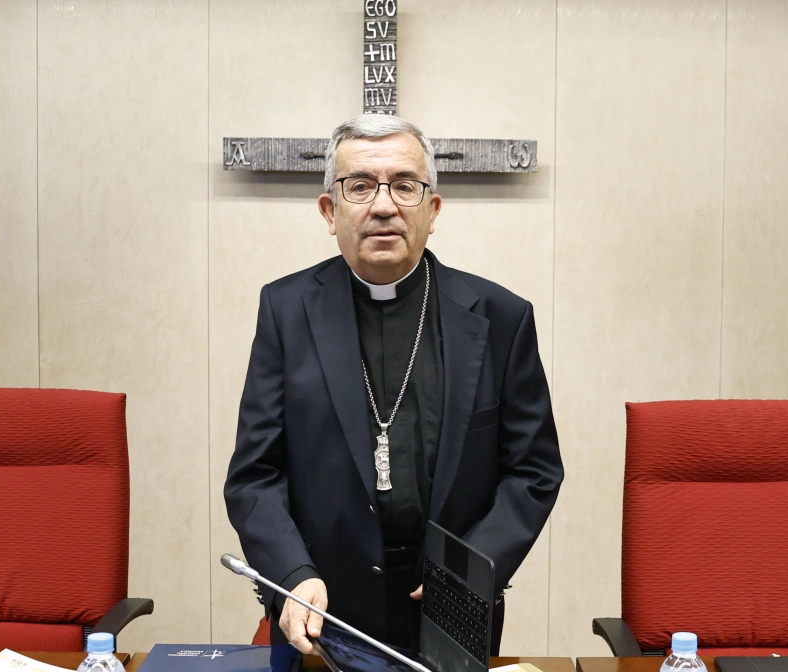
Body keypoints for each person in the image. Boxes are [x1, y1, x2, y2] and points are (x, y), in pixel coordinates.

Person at [224, 114, 563, 655]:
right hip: (323, 612)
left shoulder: (500, 317)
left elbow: (534, 470)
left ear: (433, 210)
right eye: (359, 186)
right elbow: (254, 476)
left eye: (405, 185)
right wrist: (292, 573)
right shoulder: (285, 312)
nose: (384, 205)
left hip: (450, 613)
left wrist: (470, 572)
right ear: (329, 212)